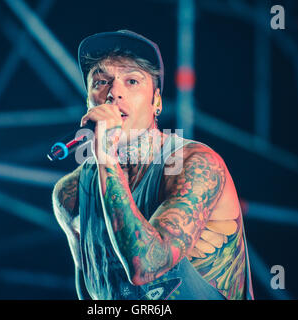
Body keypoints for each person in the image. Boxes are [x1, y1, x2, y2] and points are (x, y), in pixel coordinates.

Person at [52, 30, 254, 300]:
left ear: (156, 101)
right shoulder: (71, 195)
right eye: (100, 82)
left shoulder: (196, 165)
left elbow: (147, 266)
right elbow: (94, 294)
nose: (114, 92)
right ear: (88, 102)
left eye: (132, 81)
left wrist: (106, 154)